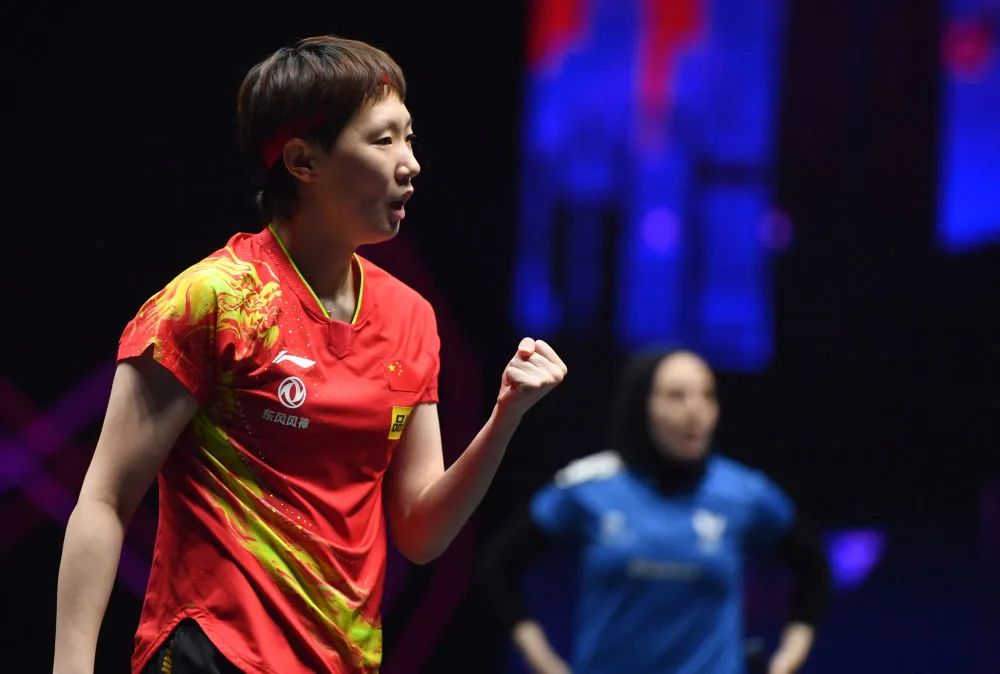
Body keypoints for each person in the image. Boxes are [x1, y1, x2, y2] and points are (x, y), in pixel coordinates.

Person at [53, 35, 567, 674]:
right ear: (302, 161)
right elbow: (105, 501)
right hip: (214, 652)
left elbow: (420, 532)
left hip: (342, 658)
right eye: (383, 140)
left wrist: (506, 416)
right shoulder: (215, 300)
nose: (410, 163)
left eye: (409, 138)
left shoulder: (410, 318)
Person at [480, 349, 828, 674]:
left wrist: (785, 664)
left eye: (707, 396)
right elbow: (499, 564)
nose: (695, 410)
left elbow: (814, 566)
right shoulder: (587, 486)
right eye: (676, 396)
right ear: (641, 405)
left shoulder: (744, 492)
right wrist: (544, 663)